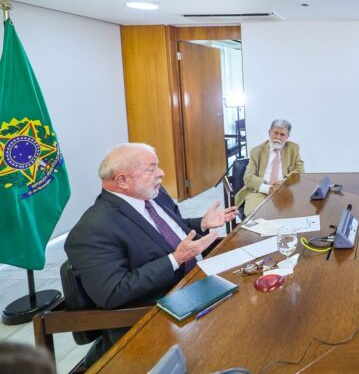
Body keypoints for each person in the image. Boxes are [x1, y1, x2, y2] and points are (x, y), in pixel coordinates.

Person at [64, 143, 237, 366]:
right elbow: (113, 292)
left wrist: (202, 223)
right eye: (151, 169)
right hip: (162, 311)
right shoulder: (92, 229)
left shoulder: (155, 195)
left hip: (197, 282)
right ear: (122, 181)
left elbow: (173, 229)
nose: (161, 173)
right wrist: (176, 259)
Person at [235, 119, 305, 215]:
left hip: (285, 189)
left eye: (282, 134)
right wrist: (267, 188)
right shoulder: (256, 151)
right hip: (260, 190)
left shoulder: (293, 148)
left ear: (287, 136)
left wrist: (283, 183)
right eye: (275, 133)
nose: (278, 137)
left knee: (297, 211)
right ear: (269, 132)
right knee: (254, 215)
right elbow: (248, 177)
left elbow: (300, 171)